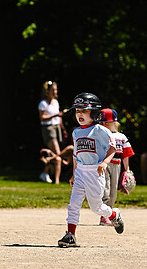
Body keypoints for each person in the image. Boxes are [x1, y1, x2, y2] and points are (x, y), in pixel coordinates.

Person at [58, 93, 124, 247]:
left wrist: (105, 163)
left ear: (94, 113)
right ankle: (70, 235)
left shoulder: (100, 130)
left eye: (84, 111)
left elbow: (113, 148)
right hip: (81, 171)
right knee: (73, 204)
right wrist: (74, 174)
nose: (79, 114)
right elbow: (76, 155)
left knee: (96, 207)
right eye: (77, 111)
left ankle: (114, 214)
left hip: (95, 172)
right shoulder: (76, 132)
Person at [98, 108, 135, 226]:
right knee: (105, 190)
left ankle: (109, 213)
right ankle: (104, 217)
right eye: (101, 122)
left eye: (106, 122)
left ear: (115, 123)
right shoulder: (99, 135)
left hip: (116, 165)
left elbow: (126, 153)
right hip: (103, 164)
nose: (103, 124)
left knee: (113, 192)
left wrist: (127, 169)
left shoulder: (121, 136)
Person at [38, 80, 67, 184]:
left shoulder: (55, 102)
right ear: (47, 91)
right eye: (53, 90)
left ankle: (46, 170)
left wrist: (63, 129)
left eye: (56, 89)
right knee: (58, 155)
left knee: (55, 155)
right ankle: (57, 180)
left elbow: (59, 118)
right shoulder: (43, 103)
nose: (55, 92)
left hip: (57, 127)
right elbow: (42, 118)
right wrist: (55, 115)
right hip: (48, 129)